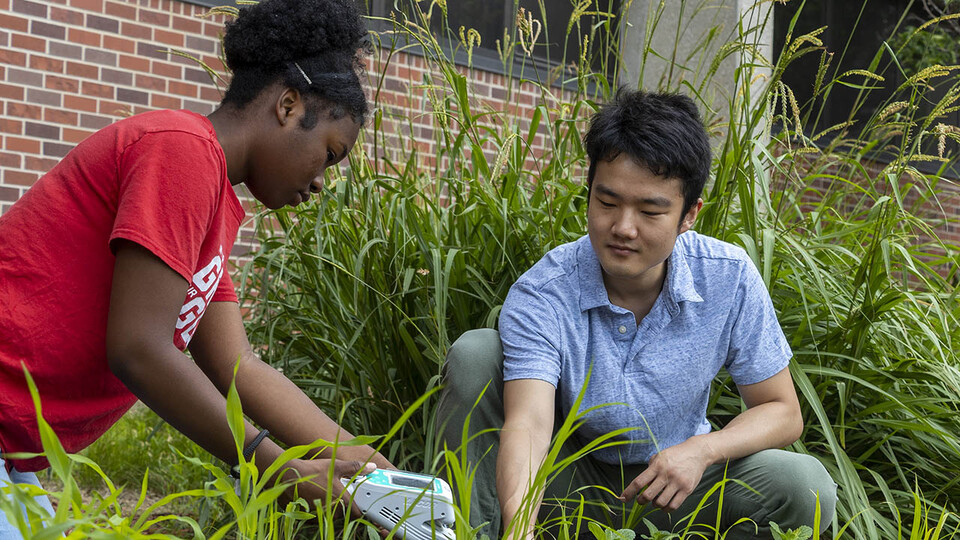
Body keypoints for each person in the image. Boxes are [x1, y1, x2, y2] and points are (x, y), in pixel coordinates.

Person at [0, 0, 394, 535]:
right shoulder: (180, 151)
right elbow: (140, 348)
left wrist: (365, 465)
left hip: (13, 453)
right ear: (288, 105)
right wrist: (277, 467)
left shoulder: (209, 205)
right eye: (329, 154)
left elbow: (240, 367)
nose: (323, 181)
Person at [436, 89, 837, 539]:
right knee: (476, 353)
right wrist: (519, 526)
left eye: (650, 210)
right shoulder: (546, 290)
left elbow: (782, 410)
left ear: (689, 215)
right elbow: (528, 424)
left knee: (807, 487)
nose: (623, 228)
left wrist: (703, 450)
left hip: (675, 488)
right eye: (607, 203)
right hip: (566, 485)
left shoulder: (728, 277)